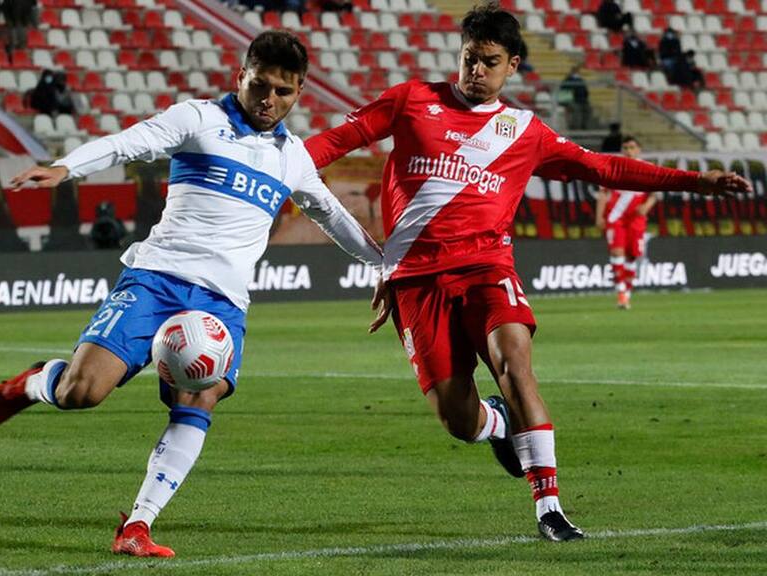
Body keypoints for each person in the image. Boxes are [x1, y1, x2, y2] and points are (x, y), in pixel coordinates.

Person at [305, 2, 752, 542]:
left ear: (512, 65)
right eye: (469, 58)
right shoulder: (410, 100)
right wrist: (273, 166)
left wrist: (695, 183)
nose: (476, 71)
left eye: (489, 62)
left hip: (487, 266)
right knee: (457, 419)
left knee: (515, 364)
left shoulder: (524, 131)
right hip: (418, 280)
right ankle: (495, 423)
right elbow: (332, 144)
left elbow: (605, 168)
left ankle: (549, 508)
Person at [0, 31, 381, 558]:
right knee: (80, 393)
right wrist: (68, 168)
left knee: (200, 397)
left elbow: (331, 214)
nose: (269, 99)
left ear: (299, 93)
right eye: (260, 85)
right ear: (240, 76)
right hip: (157, 279)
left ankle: (137, 524)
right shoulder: (198, 119)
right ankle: (29, 384)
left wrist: (386, 265)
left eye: (283, 92)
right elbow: (127, 142)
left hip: (222, 303)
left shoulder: (292, 157)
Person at [595, 136, 657, 309]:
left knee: (632, 256)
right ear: (622, 150)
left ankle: (627, 294)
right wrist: (599, 216)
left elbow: (654, 194)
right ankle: (621, 293)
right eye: (626, 148)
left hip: (637, 219)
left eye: (632, 147)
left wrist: (646, 206)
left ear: (639, 150)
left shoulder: (648, 169)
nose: (629, 151)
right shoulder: (614, 167)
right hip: (616, 217)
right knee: (617, 253)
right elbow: (603, 194)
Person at [560, 65, 591, 130]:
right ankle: (575, 128)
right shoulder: (568, 80)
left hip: (582, 100)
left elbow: (585, 91)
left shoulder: (581, 80)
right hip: (573, 101)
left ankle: (584, 126)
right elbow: (564, 89)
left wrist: (585, 99)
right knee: (577, 110)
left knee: (588, 109)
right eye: (575, 72)